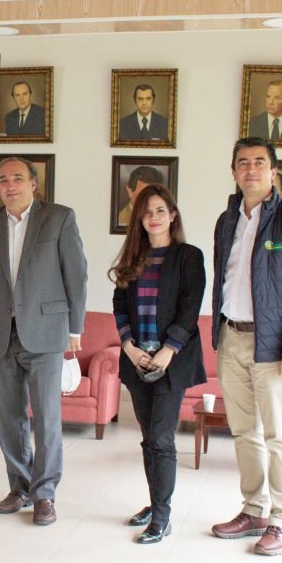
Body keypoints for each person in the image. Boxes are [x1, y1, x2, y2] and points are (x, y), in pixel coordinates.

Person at [211, 137, 282, 556]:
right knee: (244, 432)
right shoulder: (226, 221)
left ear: (274, 172)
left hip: (273, 345)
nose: (251, 169)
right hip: (231, 338)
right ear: (233, 172)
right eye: (243, 163)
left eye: (259, 162)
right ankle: (254, 510)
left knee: (279, 436)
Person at [0, 157, 87, 526]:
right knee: (8, 417)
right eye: (2, 179)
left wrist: (75, 329)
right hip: (0, 335)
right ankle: (19, 488)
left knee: (47, 418)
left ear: (33, 183)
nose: (9, 185)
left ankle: (44, 494)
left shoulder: (59, 218)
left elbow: (76, 275)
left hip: (47, 332)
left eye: (17, 178)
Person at [110, 184, 206, 543]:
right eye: (147, 212)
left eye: (160, 210)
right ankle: (154, 503)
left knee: (162, 439)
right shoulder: (133, 258)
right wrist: (128, 345)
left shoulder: (188, 257)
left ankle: (162, 518)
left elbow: (190, 307)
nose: (153, 217)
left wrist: (169, 349)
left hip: (171, 363)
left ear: (173, 216)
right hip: (137, 361)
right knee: (149, 437)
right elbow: (120, 306)